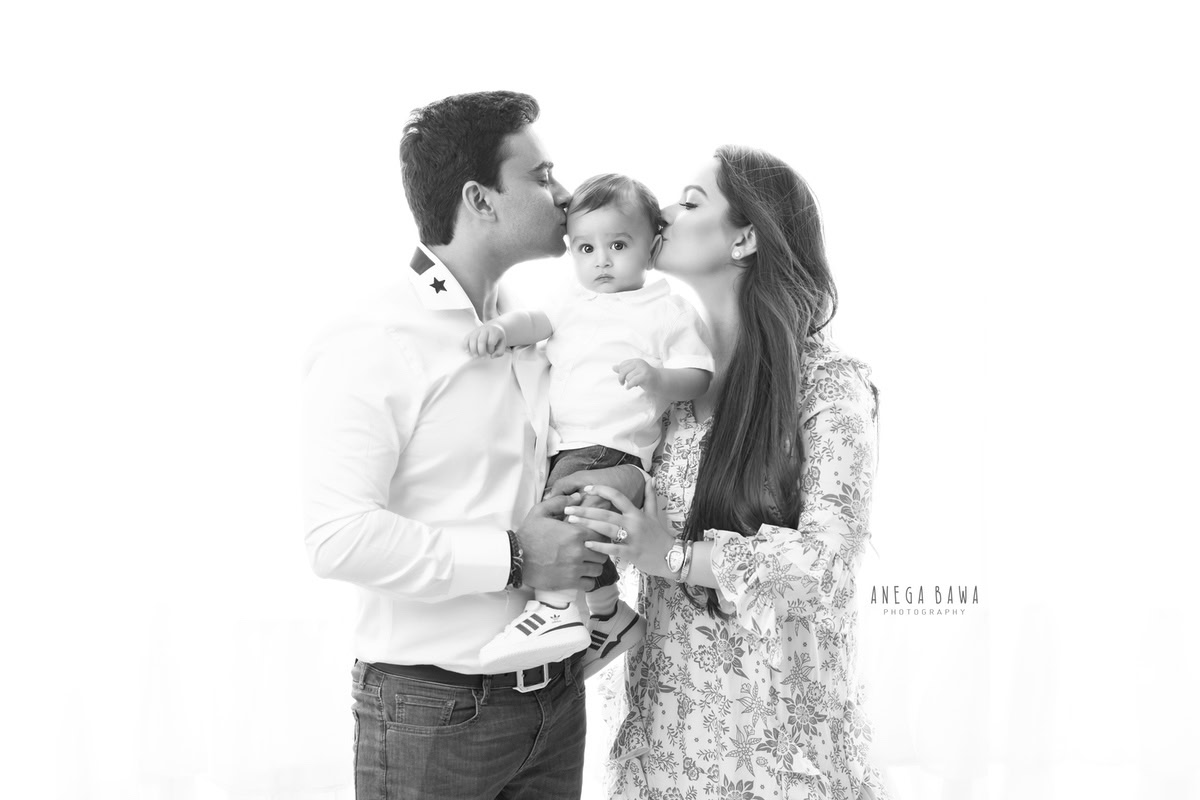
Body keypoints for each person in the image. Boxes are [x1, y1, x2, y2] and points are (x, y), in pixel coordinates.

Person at [302, 90, 640, 800]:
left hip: (557, 698)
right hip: (434, 714)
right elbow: (336, 537)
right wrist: (516, 556)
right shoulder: (374, 338)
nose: (566, 194)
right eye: (543, 176)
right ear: (480, 200)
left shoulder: (535, 331)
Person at [564, 146, 892, 799]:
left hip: (778, 755)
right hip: (664, 746)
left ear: (744, 237)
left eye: (690, 202)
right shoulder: (666, 396)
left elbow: (825, 567)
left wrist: (674, 556)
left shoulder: (826, 385)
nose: (661, 212)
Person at [463, 173, 714, 675]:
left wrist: (659, 378)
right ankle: (609, 613)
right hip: (562, 447)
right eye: (585, 248)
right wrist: (500, 329)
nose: (601, 260)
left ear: (650, 246)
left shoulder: (665, 309)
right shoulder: (571, 301)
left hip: (612, 447)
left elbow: (700, 375)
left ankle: (555, 608)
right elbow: (535, 322)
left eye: (618, 244)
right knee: (585, 522)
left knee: (564, 516)